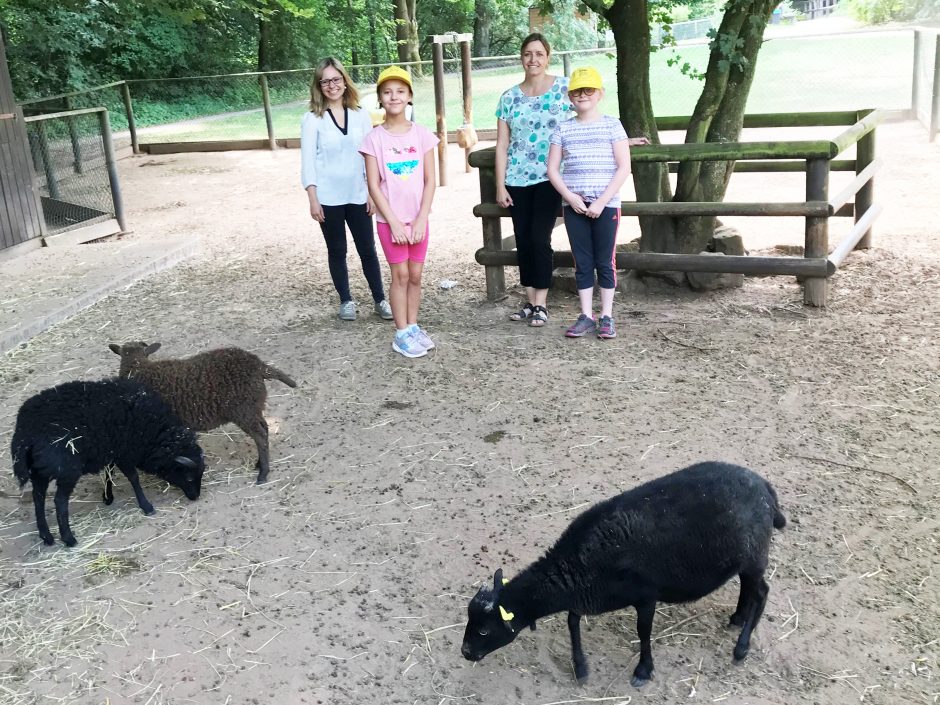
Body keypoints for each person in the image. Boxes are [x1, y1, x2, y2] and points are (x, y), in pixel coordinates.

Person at [547, 66, 649, 340]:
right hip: (575, 206)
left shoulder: (612, 125)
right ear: (570, 96)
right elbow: (553, 169)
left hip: (606, 205)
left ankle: (606, 315)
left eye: (588, 90)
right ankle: (585, 315)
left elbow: (623, 166)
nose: (583, 95)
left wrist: (602, 202)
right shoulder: (563, 128)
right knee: (582, 261)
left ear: (600, 94)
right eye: (577, 91)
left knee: (605, 260)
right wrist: (571, 198)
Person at [301, 57, 393, 322]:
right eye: (326, 81)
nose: (332, 85)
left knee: (367, 248)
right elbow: (308, 160)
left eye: (336, 79)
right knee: (337, 249)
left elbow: (369, 157)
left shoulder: (361, 115)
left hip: (357, 194)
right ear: (319, 85)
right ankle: (346, 300)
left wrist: (371, 193)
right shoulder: (312, 119)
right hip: (328, 196)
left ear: (344, 80)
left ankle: (380, 299)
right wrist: (312, 197)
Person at [359, 66, 439, 359]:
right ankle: (401, 332)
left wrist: (421, 218)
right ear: (380, 98)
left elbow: (431, 180)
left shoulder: (422, 135)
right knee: (401, 275)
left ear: (409, 97)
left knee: (416, 274)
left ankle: (414, 326)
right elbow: (373, 184)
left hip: (418, 220)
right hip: (389, 221)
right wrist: (392, 221)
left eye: (400, 91)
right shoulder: (373, 139)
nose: (394, 97)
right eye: (387, 92)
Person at [495, 33, 573, 328]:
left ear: (548, 56)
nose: (533, 59)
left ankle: (542, 303)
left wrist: (620, 138)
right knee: (524, 240)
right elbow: (503, 144)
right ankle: (529, 300)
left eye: (539, 54)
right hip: (516, 178)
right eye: (528, 54)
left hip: (549, 176)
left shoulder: (564, 89)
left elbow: (589, 115)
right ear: (521, 58)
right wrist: (500, 184)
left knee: (540, 238)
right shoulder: (509, 97)